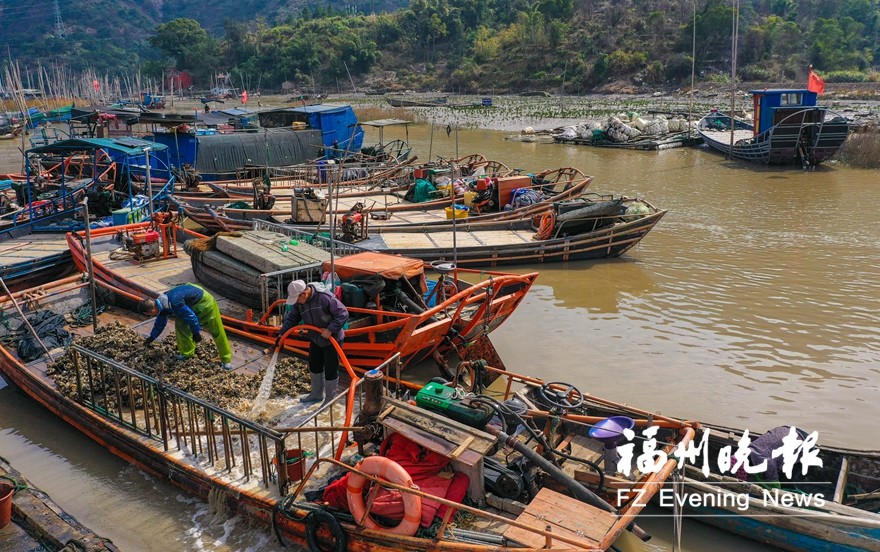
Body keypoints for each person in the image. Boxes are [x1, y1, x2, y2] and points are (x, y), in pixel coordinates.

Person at [276, 279, 348, 404]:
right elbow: (292, 318)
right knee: (314, 365)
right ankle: (316, 394)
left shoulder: (324, 298)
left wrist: (330, 329)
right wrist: (281, 334)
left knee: (331, 368)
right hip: (315, 337)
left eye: (297, 299)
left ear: (304, 294)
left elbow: (342, 313)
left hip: (332, 339)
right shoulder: (300, 303)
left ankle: (330, 399)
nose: (297, 302)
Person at [140, 283, 233, 369]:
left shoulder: (174, 302)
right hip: (191, 299)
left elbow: (190, 316)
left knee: (216, 330)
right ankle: (187, 353)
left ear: (151, 311)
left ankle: (226, 360)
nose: (151, 316)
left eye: (149, 315)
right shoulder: (161, 302)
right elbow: (160, 322)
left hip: (205, 302)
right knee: (181, 324)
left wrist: (196, 332)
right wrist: (152, 337)